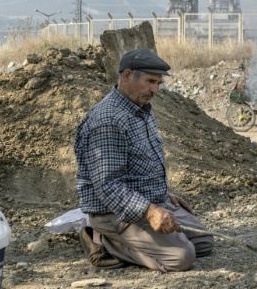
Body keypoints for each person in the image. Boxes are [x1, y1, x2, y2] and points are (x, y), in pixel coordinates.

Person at [74, 48, 215, 271]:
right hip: (114, 213)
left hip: (146, 200)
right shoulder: (108, 121)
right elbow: (108, 186)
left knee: (204, 242)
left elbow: (137, 165)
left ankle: (145, 237)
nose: (155, 90)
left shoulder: (140, 108)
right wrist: (150, 211)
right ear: (127, 75)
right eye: (150, 81)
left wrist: (164, 194)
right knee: (181, 258)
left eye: (158, 83)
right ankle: (101, 240)